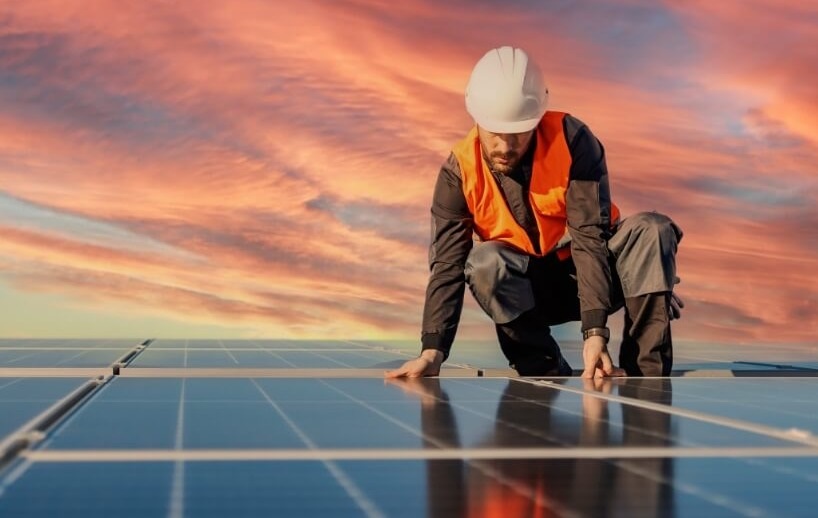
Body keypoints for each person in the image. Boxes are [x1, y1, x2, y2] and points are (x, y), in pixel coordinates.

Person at [385, 46, 683, 379]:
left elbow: (590, 235)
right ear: (477, 119)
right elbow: (446, 266)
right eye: (495, 133)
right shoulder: (459, 173)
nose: (505, 147)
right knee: (484, 264)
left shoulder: (573, 141)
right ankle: (543, 369)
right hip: (529, 292)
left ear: (537, 119)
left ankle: (645, 376)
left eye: (518, 134)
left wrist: (598, 329)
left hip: (596, 272)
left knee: (652, 231)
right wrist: (432, 350)